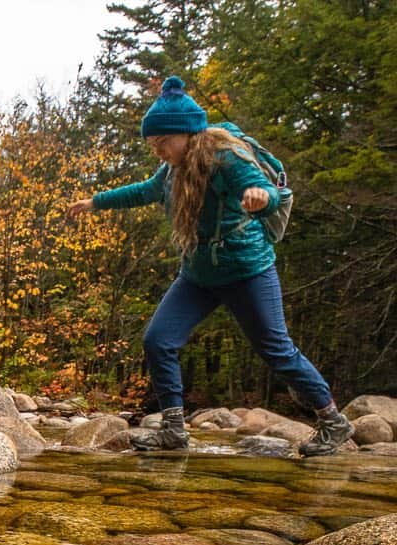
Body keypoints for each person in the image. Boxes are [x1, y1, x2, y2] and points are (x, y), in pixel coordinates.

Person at [67, 76, 353, 456]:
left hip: (247, 270)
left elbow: (263, 189)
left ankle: (334, 422)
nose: (158, 150)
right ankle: (173, 429)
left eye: (162, 142)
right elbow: (145, 191)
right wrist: (95, 202)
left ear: (186, 134)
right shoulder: (171, 171)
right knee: (158, 340)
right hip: (198, 276)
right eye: (153, 144)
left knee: (277, 350)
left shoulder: (225, 158)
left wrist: (258, 197)